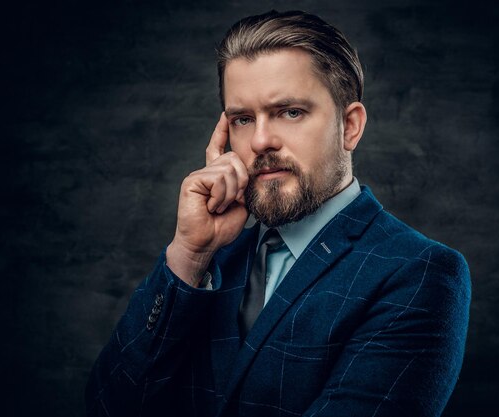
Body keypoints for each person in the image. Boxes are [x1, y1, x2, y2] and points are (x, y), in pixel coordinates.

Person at [85, 10, 471, 417]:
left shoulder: (420, 273)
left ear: (350, 126)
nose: (261, 141)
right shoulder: (206, 265)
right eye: (243, 119)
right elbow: (108, 408)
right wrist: (188, 254)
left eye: (290, 112)